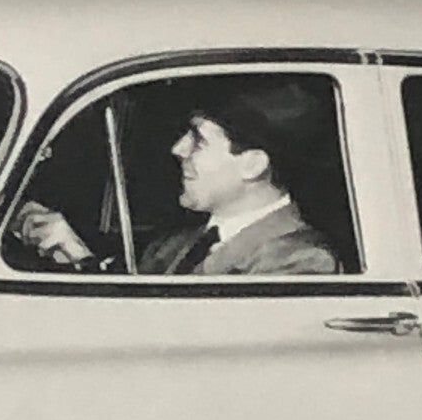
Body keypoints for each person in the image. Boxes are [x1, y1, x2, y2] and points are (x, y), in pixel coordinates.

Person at [17, 78, 342, 275]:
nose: (178, 148)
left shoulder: (301, 262)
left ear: (252, 165)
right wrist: (72, 253)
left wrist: (85, 263)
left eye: (198, 139)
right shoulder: (174, 245)